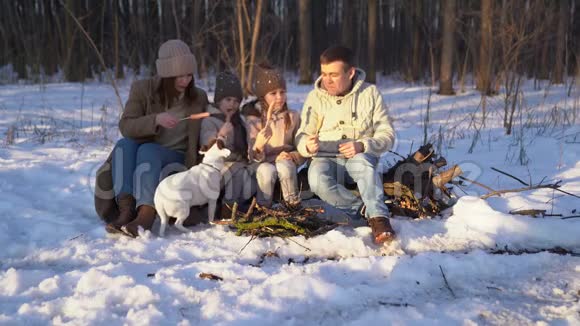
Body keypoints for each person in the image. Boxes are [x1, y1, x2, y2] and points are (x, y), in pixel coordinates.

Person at [94, 39, 208, 237]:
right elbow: (126, 125)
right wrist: (155, 120)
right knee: (124, 144)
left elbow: (209, 125)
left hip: (177, 158)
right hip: (143, 153)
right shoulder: (143, 90)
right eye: (178, 76)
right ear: (165, 75)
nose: (185, 81)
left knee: (148, 150)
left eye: (189, 75)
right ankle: (126, 210)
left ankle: (146, 214)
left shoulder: (198, 97)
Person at [295, 45, 396, 245]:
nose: (327, 80)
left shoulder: (370, 93)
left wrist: (363, 145)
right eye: (324, 73)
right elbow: (302, 134)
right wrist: (307, 144)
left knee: (364, 167)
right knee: (316, 179)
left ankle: (379, 219)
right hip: (324, 156)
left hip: (358, 155)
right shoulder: (314, 97)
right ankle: (362, 209)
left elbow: (387, 133)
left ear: (350, 73)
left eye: (333, 74)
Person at [241, 64, 305, 208]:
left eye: (282, 92)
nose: (279, 97)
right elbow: (251, 156)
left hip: (285, 162)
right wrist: (259, 145)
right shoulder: (253, 119)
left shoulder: (293, 117)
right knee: (267, 171)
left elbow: (302, 147)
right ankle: (263, 208)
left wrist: (293, 156)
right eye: (273, 93)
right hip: (261, 165)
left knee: (285, 166)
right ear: (263, 96)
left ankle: (292, 205)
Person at [200, 71, 254, 213]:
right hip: (216, 169)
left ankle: (241, 205)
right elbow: (208, 148)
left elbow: (249, 145)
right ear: (219, 101)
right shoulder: (210, 120)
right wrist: (221, 135)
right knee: (237, 170)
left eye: (236, 101)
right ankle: (227, 208)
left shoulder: (240, 122)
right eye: (228, 100)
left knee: (249, 173)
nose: (233, 104)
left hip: (239, 165)